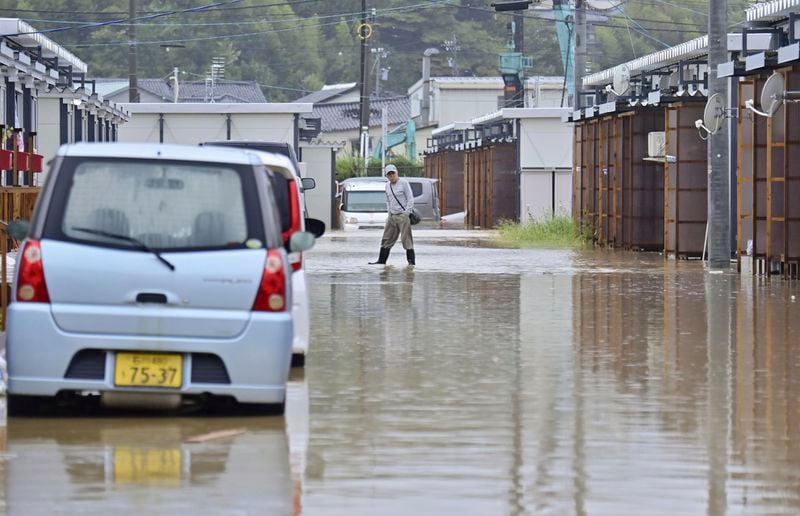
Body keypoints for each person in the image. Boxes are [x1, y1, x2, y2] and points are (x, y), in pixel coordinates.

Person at [369, 164, 415, 266]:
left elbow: (410, 199)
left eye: (393, 173)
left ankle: (411, 263)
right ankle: (381, 261)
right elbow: (388, 201)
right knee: (386, 238)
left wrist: (406, 213)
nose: (391, 176)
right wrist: (389, 212)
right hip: (392, 216)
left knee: (406, 239)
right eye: (389, 174)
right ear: (386, 176)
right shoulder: (387, 185)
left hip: (403, 215)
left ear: (396, 172)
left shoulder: (404, 183)